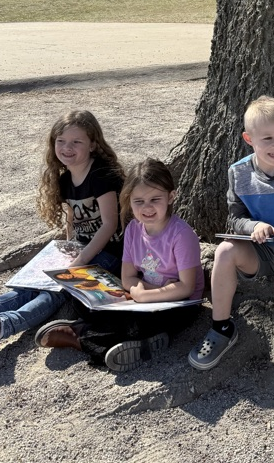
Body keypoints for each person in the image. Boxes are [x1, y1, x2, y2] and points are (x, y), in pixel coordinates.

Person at [0, 110, 125, 363]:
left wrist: (80, 260)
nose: (67, 148)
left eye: (76, 141)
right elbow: (72, 218)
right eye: (61, 141)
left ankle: (0, 326)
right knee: (32, 284)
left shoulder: (102, 175)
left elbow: (109, 224)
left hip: (110, 254)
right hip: (82, 249)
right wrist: (68, 249)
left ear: (93, 144)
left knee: (56, 290)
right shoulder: (66, 179)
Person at [188, 96, 274, 377]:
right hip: (260, 247)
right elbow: (234, 218)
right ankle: (221, 326)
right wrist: (253, 227)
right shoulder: (238, 172)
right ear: (249, 139)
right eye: (268, 139)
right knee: (224, 251)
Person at [36, 159, 204, 372]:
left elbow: (186, 288)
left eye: (155, 199)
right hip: (146, 297)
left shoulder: (181, 235)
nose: (147, 207)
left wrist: (145, 295)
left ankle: (81, 338)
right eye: (138, 201)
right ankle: (129, 339)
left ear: (171, 197)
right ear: (128, 200)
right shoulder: (133, 229)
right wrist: (142, 291)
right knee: (83, 302)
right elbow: (128, 278)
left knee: (140, 324)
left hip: (180, 305)